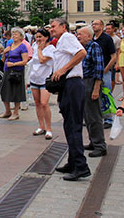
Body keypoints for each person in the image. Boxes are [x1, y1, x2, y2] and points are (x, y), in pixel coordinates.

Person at [50, 18, 91, 181]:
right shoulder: (61, 41)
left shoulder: (67, 37)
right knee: (69, 125)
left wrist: (63, 69)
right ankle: (73, 161)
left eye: (53, 26)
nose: (51, 29)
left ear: (63, 27)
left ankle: (81, 166)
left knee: (73, 125)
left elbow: (82, 53)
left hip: (73, 83)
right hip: (68, 85)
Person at [77, 26, 107, 157]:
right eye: (77, 34)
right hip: (83, 82)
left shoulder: (94, 47)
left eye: (81, 35)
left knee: (94, 116)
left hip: (91, 82)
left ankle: (100, 145)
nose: (78, 37)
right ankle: (93, 141)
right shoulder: (82, 48)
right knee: (87, 115)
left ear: (89, 36)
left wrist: (96, 88)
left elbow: (99, 68)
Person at [28, 29, 55, 140]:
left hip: (45, 80)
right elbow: (32, 61)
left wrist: (39, 49)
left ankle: (49, 128)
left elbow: (42, 60)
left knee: (44, 103)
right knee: (37, 103)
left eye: (40, 37)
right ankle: (41, 126)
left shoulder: (51, 49)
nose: (38, 39)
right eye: (37, 37)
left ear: (46, 37)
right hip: (35, 78)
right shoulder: (34, 47)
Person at [0, 27, 28, 121]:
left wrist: (14, 64)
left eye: (16, 34)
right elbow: (3, 59)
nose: (14, 35)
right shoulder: (9, 44)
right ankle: (7, 111)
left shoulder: (22, 46)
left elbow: (25, 61)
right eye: (13, 34)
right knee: (4, 89)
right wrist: (4, 52)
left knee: (16, 92)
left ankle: (16, 112)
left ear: (21, 36)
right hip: (7, 70)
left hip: (17, 71)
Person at [92, 19, 117, 128]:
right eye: (93, 24)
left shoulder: (107, 39)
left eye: (96, 24)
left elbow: (113, 56)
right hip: (93, 71)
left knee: (106, 94)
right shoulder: (92, 38)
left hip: (104, 71)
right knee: (93, 94)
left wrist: (106, 69)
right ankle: (95, 117)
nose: (94, 26)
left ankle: (109, 119)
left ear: (101, 26)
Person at [105, 23, 121, 91]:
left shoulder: (116, 39)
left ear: (113, 29)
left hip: (112, 60)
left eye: (109, 29)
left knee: (112, 78)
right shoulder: (104, 36)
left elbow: (118, 51)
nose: (107, 30)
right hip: (105, 59)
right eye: (107, 29)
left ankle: (111, 91)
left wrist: (117, 62)